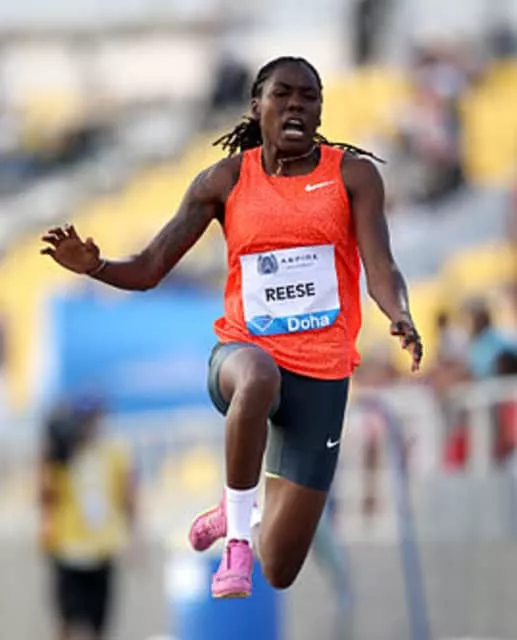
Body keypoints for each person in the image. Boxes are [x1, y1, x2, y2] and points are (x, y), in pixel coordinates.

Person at [40, 56, 423, 600]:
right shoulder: (224, 181)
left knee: (281, 566)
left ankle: (234, 507)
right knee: (259, 374)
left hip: (322, 373)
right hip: (241, 357)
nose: (296, 105)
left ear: (320, 110)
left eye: (309, 96)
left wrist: (400, 313)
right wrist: (96, 266)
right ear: (257, 105)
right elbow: (149, 268)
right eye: (282, 94)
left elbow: (381, 267)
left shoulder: (352, 175)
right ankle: (236, 539)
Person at [38, 398, 135, 639]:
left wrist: (132, 534)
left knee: (98, 622)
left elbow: (127, 494)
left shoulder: (114, 451)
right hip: (69, 548)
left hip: (102, 548)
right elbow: (46, 495)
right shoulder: (63, 454)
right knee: (69, 621)